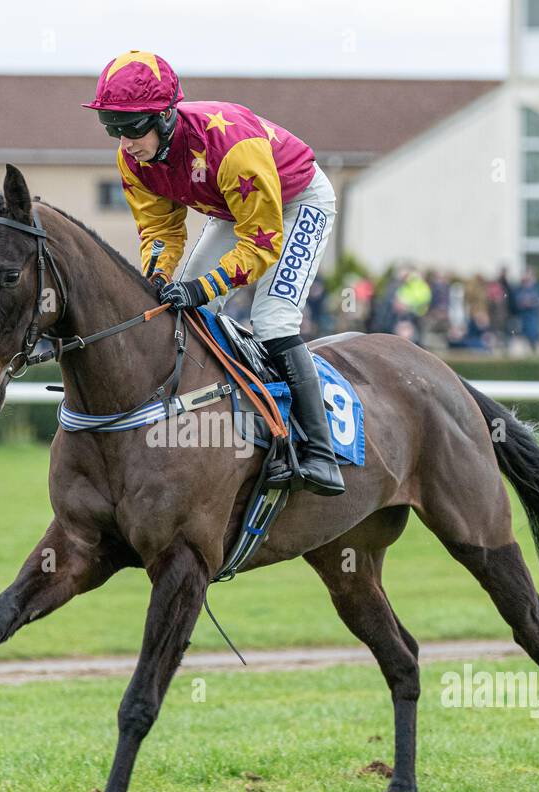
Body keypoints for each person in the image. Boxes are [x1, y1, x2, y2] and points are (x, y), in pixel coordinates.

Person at [84, 50, 344, 496]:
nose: (124, 142)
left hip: (297, 201)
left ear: (165, 116)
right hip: (231, 208)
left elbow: (261, 242)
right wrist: (160, 278)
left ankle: (320, 453)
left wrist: (201, 287)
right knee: (183, 314)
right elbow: (160, 228)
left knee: (272, 318)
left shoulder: (232, 148)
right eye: (112, 127)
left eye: (131, 127)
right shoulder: (133, 160)